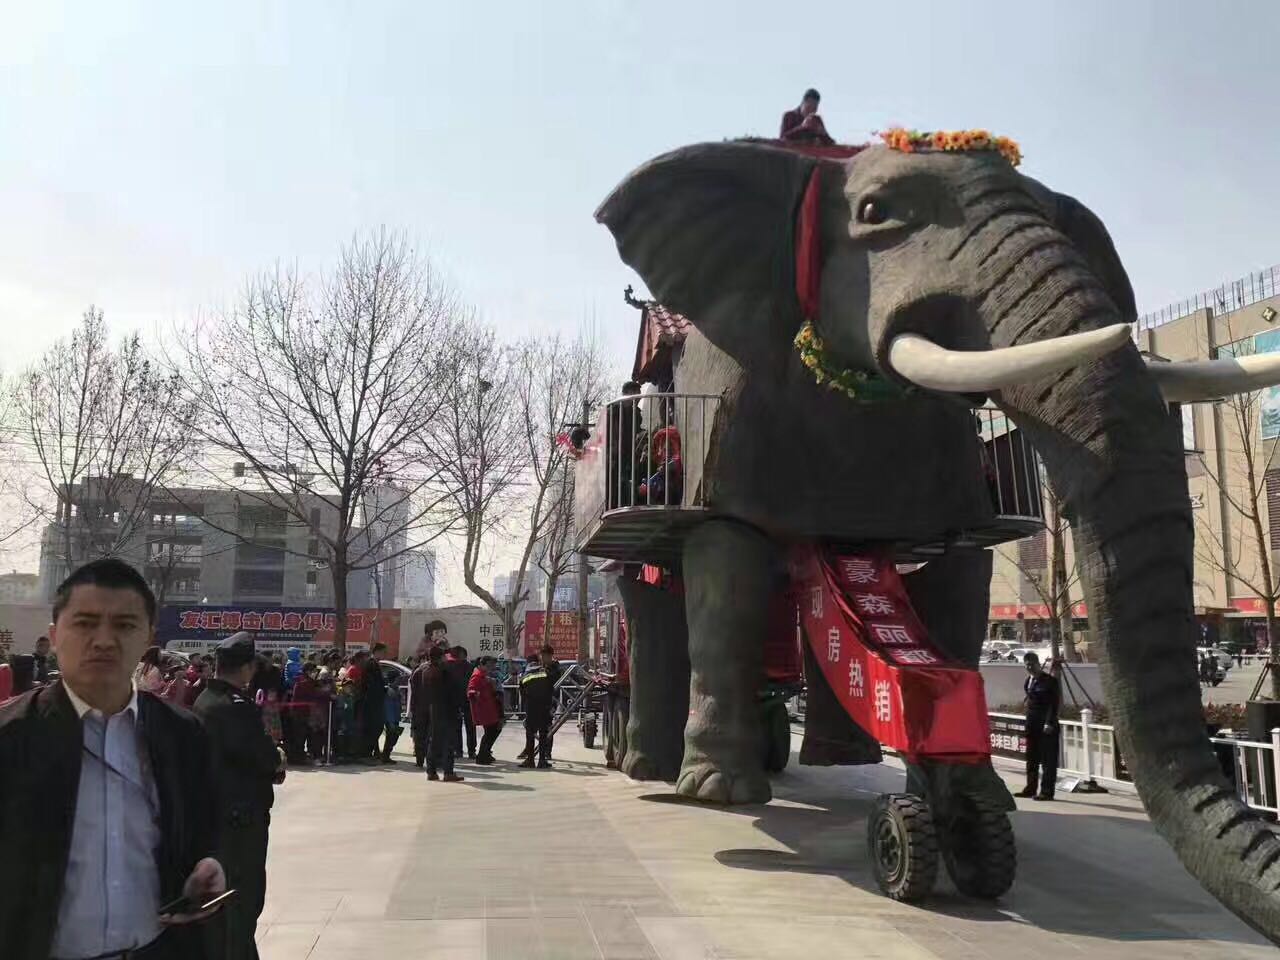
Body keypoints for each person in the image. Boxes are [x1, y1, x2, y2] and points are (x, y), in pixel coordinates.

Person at [0, 557, 225, 960]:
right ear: (54, 635)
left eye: (124, 625)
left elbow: (205, 830)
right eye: (85, 623)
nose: (104, 640)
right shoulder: (12, 737)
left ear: (148, 637)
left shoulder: (183, 735)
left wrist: (208, 865)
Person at [193, 632, 287, 960]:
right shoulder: (235, 707)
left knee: (231, 906)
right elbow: (263, 756)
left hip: (219, 814)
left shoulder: (205, 700)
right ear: (246, 669)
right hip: (241, 818)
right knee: (242, 902)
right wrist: (277, 758)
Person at [1017, 652, 1061, 801]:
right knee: (1032, 759)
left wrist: (1049, 722)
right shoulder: (1027, 681)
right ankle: (1030, 788)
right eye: (1027, 664)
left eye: (1032, 664)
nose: (1030, 667)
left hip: (1047, 727)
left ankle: (1047, 792)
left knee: (1048, 761)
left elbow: (1053, 705)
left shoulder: (1050, 681)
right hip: (1032, 726)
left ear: (1038, 663)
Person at [420, 646, 464, 781]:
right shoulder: (445, 671)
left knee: (434, 740)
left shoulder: (425, 671)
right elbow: (453, 691)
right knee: (448, 742)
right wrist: (458, 707)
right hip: (447, 709)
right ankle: (448, 772)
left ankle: (431, 771)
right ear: (440, 657)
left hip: (433, 708)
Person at [520, 652, 554, 769]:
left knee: (530, 734)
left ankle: (530, 760)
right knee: (543, 734)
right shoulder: (545, 672)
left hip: (531, 707)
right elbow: (551, 689)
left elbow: (522, 694)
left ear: (528, 663)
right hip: (544, 707)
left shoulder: (524, 675)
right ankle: (542, 761)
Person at [468, 656, 504, 764]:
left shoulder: (485, 675)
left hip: (490, 707)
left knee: (492, 731)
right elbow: (471, 690)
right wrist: (475, 694)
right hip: (485, 709)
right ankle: (482, 755)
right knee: (492, 731)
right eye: (489, 665)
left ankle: (485, 753)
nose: (491, 667)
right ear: (482, 664)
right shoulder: (477, 676)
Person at [359, 643, 389, 763]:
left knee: (376, 727)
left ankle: (374, 752)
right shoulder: (370, 664)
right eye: (383, 652)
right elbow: (371, 684)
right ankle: (366, 753)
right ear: (377, 651)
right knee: (373, 727)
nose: (384, 655)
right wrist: (383, 689)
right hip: (371, 702)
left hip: (375, 701)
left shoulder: (375, 663)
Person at [445, 644, 476, 759]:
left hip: (455, 700)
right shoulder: (470, 667)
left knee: (457, 726)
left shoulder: (448, 666)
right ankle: (471, 751)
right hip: (467, 699)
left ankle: (459, 750)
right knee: (469, 727)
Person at [540, 643, 563, 763]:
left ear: (550, 656)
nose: (544, 658)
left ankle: (547, 752)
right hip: (540, 700)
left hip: (550, 700)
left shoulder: (555, 667)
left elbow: (552, 680)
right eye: (542, 656)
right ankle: (541, 750)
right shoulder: (542, 666)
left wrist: (544, 672)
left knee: (548, 726)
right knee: (539, 726)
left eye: (545, 656)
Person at [409, 653, 432, 767]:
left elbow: (413, 690)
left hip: (419, 707)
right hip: (432, 707)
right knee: (431, 735)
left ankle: (419, 760)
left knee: (419, 735)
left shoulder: (417, 671)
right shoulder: (436, 670)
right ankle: (431, 761)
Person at [380, 673, 403, 763]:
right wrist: (391, 721)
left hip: (396, 717)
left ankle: (386, 755)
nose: (399, 681)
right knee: (391, 737)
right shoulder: (389, 692)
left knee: (394, 737)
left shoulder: (396, 690)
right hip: (391, 719)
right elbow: (388, 708)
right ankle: (385, 756)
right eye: (398, 679)